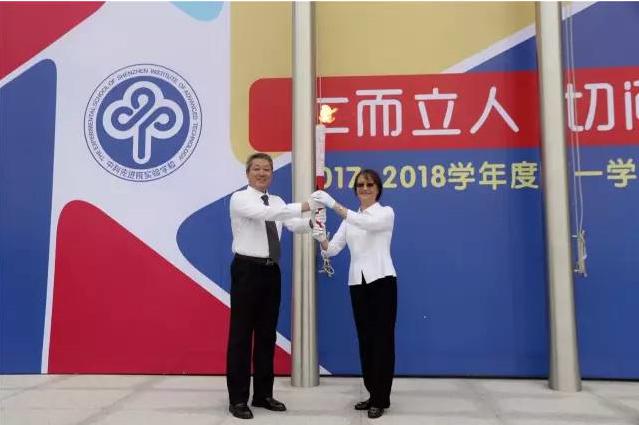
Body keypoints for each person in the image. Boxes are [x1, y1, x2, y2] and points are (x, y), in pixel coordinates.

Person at [227, 152, 322, 420]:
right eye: (256, 168)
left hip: (271, 272)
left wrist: (313, 221)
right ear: (247, 173)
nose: (261, 173)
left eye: (266, 169)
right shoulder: (240, 199)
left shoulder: (278, 201)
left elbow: (292, 224)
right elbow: (267, 213)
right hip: (247, 270)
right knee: (241, 336)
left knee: (267, 335)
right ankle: (238, 399)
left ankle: (263, 394)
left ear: (272, 173)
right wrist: (306, 204)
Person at [311, 169, 397, 419]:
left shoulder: (385, 213)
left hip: (382, 281)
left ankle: (381, 398)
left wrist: (333, 204)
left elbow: (366, 224)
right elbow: (333, 249)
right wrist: (320, 237)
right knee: (366, 340)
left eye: (369, 184)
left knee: (382, 341)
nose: (365, 188)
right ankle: (372, 392)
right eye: (360, 185)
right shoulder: (349, 219)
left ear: (378, 189)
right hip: (357, 283)